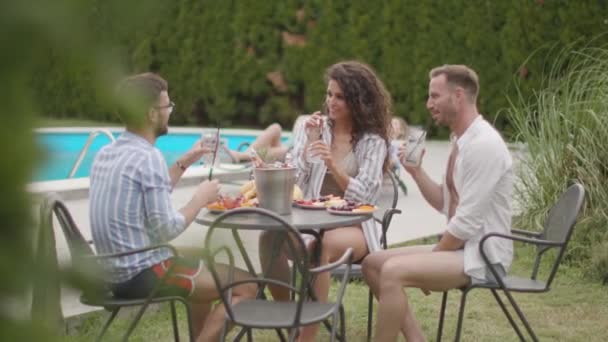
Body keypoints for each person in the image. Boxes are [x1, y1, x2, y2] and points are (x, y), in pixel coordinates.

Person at [89, 72, 256, 341]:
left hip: (109, 273)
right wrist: (200, 199)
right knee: (248, 287)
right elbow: (166, 229)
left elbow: (144, 195)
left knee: (201, 267)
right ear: (150, 113)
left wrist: (185, 161)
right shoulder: (148, 156)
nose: (170, 111)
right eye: (167, 106)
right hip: (142, 273)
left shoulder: (106, 153)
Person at [361, 65, 514, 341]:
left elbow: (465, 223)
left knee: (393, 271)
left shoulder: (483, 145)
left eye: (434, 96)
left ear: (457, 96)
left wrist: (430, 259)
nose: (429, 104)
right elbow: (446, 203)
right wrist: (416, 173)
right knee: (372, 264)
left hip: (482, 255)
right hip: (462, 247)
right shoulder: (463, 140)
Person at [259, 61, 392, 341]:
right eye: (330, 94)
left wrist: (333, 165)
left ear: (358, 101)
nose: (331, 102)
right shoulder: (319, 129)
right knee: (269, 238)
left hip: (357, 229)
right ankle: (292, 318)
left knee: (323, 246)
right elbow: (298, 181)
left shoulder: (373, 141)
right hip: (313, 222)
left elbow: (366, 196)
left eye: (340, 96)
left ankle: (307, 336)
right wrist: (309, 143)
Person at [223, 123, 289, 163]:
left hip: (291, 155)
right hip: (288, 148)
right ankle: (246, 155)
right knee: (276, 127)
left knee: (285, 151)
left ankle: (243, 156)